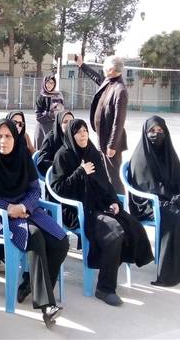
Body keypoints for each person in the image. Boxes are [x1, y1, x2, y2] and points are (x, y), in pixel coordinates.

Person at [0, 120, 68, 327]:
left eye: (8, 136)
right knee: (35, 236)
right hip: (2, 216)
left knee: (61, 241)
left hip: (28, 210)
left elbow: (35, 189)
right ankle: (47, 306)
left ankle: (30, 285)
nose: (3, 141)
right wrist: (8, 208)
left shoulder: (23, 155)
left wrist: (23, 206)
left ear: (15, 138)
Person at [49, 119, 153, 306]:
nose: (83, 135)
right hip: (77, 209)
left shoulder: (93, 153)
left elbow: (105, 182)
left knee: (132, 225)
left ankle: (110, 267)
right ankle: (105, 288)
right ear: (71, 135)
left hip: (99, 205)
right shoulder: (63, 155)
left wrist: (114, 201)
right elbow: (58, 189)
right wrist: (80, 172)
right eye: (78, 132)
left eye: (85, 131)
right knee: (114, 232)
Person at [128, 116, 180, 286]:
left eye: (160, 130)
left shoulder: (169, 154)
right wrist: (170, 200)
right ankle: (168, 274)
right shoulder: (141, 157)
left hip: (167, 200)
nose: (156, 134)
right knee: (177, 219)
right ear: (145, 133)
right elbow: (146, 188)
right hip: (147, 204)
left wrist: (179, 198)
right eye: (152, 131)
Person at [75, 54, 128, 194]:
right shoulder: (109, 82)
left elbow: (119, 121)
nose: (103, 68)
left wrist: (112, 145)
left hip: (111, 141)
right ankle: (109, 199)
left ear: (111, 69)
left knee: (114, 176)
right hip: (102, 136)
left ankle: (119, 201)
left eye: (105, 66)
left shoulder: (120, 90)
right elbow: (96, 77)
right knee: (105, 173)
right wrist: (82, 65)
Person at [34, 74, 64, 148]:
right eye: (47, 82)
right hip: (42, 127)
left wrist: (50, 114)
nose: (49, 85)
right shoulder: (40, 97)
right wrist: (50, 114)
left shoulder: (58, 95)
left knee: (53, 148)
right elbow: (38, 115)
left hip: (54, 126)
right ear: (44, 83)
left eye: (52, 83)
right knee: (40, 149)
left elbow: (60, 112)